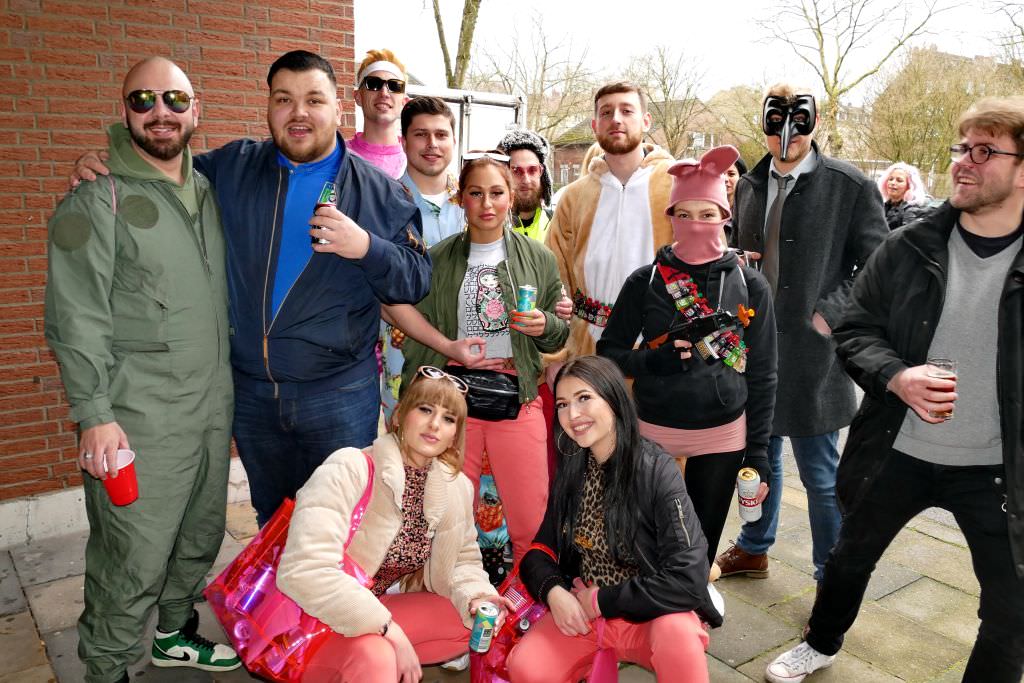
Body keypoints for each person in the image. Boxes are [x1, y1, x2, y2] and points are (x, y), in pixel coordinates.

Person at [69, 50, 432, 527]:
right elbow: (160, 166)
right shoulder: (231, 169)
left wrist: (365, 246)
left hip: (338, 393)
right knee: (273, 521)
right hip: (253, 396)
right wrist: (110, 159)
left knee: (339, 526)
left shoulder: (380, 191)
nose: (298, 113)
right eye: (283, 99)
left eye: (313, 100)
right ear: (268, 106)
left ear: (338, 108)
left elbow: (416, 278)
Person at [765, 96, 1024, 683]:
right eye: (962, 148)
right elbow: (856, 328)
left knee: (1010, 611)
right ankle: (821, 642)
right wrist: (896, 376)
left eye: (985, 151)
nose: (964, 161)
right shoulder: (909, 246)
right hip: (897, 447)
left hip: (996, 469)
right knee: (848, 559)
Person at [45, 57, 239, 682]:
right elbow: (75, 316)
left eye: (175, 100)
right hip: (139, 417)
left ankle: (174, 632)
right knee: (132, 554)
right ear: (124, 110)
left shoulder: (208, 190)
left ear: (196, 110)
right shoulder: (95, 197)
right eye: (143, 100)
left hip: (211, 405)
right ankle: (106, 669)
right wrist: (93, 415)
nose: (161, 113)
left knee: (199, 533)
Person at [720, 84, 887, 582]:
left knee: (820, 473)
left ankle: (828, 572)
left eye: (799, 122)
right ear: (764, 126)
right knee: (759, 461)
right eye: (775, 122)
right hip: (754, 349)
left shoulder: (849, 186)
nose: (787, 134)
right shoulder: (749, 185)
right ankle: (754, 547)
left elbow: (880, 264)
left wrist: (831, 312)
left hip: (814, 355)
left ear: (815, 124)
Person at [383, 152, 570, 563]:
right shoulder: (437, 259)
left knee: (531, 517)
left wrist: (544, 325)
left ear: (511, 198)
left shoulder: (538, 257)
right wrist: (445, 349)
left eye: (497, 193)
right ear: (461, 199)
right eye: (476, 193)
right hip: (454, 400)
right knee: (449, 516)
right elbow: (397, 310)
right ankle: (452, 591)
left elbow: (558, 334)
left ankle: (531, 591)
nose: (487, 204)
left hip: (517, 396)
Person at [598, 145, 777, 569]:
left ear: (725, 217)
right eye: (685, 214)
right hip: (651, 430)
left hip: (722, 435)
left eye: (707, 214)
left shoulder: (751, 286)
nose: (696, 224)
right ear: (671, 217)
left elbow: (764, 374)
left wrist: (758, 453)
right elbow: (609, 353)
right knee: (643, 542)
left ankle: (691, 607)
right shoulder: (645, 282)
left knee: (701, 548)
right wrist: (651, 361)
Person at [277, 367, 511, 683]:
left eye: (448, 418)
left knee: (468, 619)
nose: (434, 424)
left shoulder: (455, 488)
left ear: (455, 435)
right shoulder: (350, 467)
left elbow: (463, 562)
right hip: (311, 614)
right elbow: (303, 571)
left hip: (375, 609)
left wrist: (478, 596)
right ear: (399, 416)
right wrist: (389, 629)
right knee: (377, 656)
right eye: (425, 409)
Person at [505, 355, 722, 683]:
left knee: (678, 637)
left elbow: (688, 578)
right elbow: (539, 551)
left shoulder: (656, 470)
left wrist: (601, 600)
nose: (572, 414)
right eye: (562, 404)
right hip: (585, 614)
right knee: (525, 668)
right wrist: (554, 592)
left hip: (648, 615)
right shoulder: (573, 467)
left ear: (614, 399)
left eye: (584, 398)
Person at [545, 82, 675, 367]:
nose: (616, 119)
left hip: (660, 352)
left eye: (627, 110)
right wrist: (559, 351)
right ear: (595, 125)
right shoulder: (574, 197)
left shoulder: (676, 184)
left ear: (646, 121)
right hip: (589, 350)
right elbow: (551, 273)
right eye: (606, 112)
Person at [380, 96, 465, 421]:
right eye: (421, 134)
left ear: (454, 141)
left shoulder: (476, 202)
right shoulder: (384, 204)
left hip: (473, 363)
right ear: (403, 141)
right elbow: (384, 300)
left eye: (441, 134)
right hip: (407, 362)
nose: (432, 144)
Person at [348, 48, 408, 178]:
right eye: (373, 84)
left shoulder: (415, 160)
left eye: (395, 86)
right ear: (358, 96)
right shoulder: (337, 156)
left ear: (404, 101)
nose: (384, 93)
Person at [499, 128, 554, 243]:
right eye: (516, 170)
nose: (526, 180)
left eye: (532, 170)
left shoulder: (558, 224)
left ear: (542, 173)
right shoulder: (491, 229)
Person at [878, 161, 929, 230]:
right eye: (890, 179)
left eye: (899, 180)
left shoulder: (912, 210)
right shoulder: (882, 206)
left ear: (910, 186)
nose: (893, 183)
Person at [723, 156, 747, 245]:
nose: (725, 179)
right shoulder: (704, 209)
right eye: (720, 173)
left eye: (731, 174)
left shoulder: (748, 211)